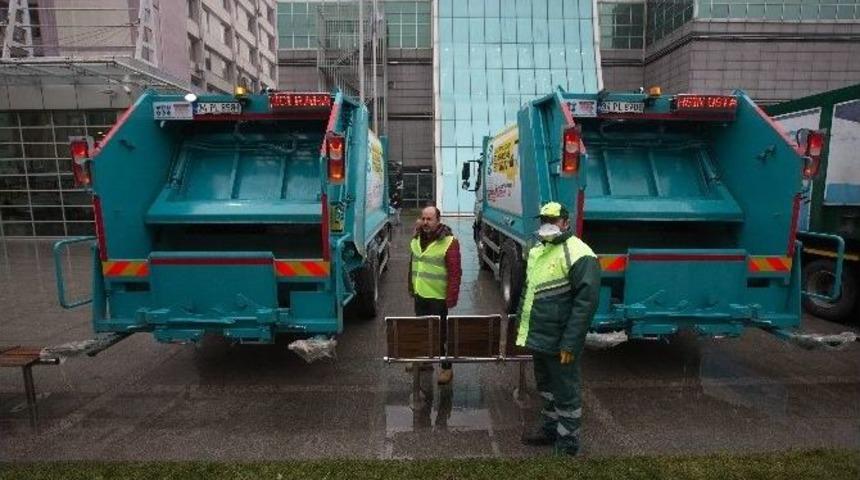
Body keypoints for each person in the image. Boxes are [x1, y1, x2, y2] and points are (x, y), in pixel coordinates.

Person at [517, 202, 601, 456]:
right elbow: (528, 293)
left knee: (566, 393)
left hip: (560, 341)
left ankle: (568, 444)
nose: (548, 225)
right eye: (544, 219)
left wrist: (570, 343)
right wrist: (522, 331)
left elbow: (585, 306)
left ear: (566, 222)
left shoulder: (580, 253)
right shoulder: (537, 248)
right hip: (539, 338)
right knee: (546, 388)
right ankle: (550, 429)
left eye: (553, 220)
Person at [409, 205, 462, 385]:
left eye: (429, 219)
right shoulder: (417, 237)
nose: (425, 222)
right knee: (422, 329)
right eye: (423, 218)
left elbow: (455, 273)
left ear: (438, 220)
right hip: (420, 293)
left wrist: (451, 298)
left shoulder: (449, 241)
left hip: (438, 297)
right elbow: (413, 264)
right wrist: (411, 287)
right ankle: (425, 359)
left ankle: (446, 368)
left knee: (441, 335)